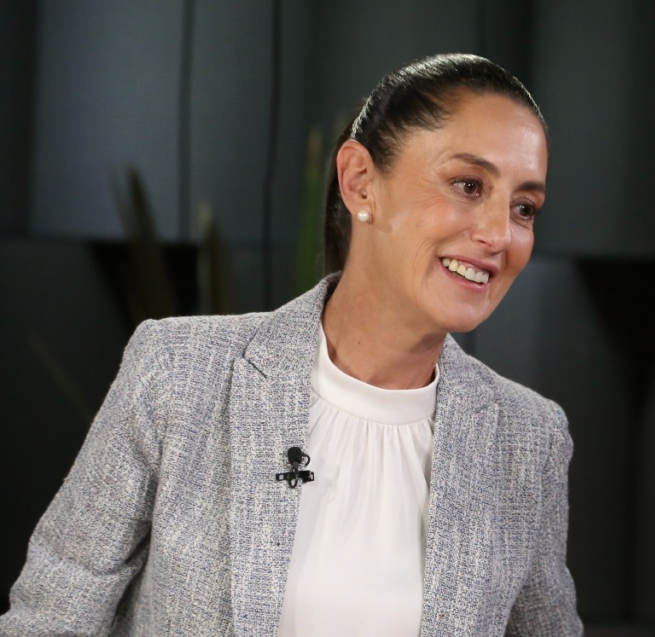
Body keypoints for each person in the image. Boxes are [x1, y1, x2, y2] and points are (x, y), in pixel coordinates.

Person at [0, 53, 582, 636]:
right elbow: (52, 617)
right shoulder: (178, 373)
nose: (498, 234)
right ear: (360, 181)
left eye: (524, 208)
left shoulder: (529, 440)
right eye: (468, 185)